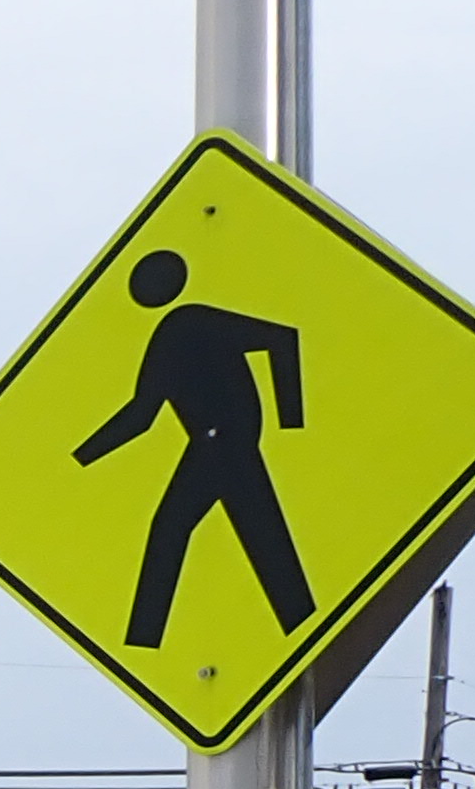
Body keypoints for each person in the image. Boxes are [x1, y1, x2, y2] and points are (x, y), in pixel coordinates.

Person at [76, 249, 315, 648]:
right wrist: (82, 457)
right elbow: (142, 413)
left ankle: (143, 639)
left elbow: (281, 338)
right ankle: (301, 625)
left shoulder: (192, 321)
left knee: (175, 529)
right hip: (213, 444)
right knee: (257, 535)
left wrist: (290, 420)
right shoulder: (169, 335)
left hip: (226, 443)